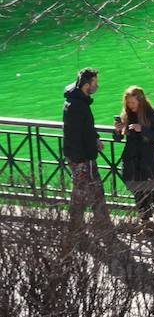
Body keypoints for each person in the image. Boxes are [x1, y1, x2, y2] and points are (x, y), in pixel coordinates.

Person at [114, 85, 154, 238]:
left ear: (140, 100)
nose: (130, 106)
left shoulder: (152, 113)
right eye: (128, 103)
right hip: (132, 159)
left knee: (153, 193)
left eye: (133, 103)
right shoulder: (126, 114)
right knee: (138, 193)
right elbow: (118, 138)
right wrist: (118, 130)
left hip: (148, 158)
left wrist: (142, 129)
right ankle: (146, 224)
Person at [62, 67, 112, 240]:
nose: (96, 86)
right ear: (86, 84)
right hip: (82, 158)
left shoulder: (76, 101)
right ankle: (94, 228)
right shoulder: (78, 106)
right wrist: (82, 159)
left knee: (85, 192)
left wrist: (95, 138)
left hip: (80, 156)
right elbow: (75, 134)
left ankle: (81, 228)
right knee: (88, 193)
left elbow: (85, 128)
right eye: (95, 83)